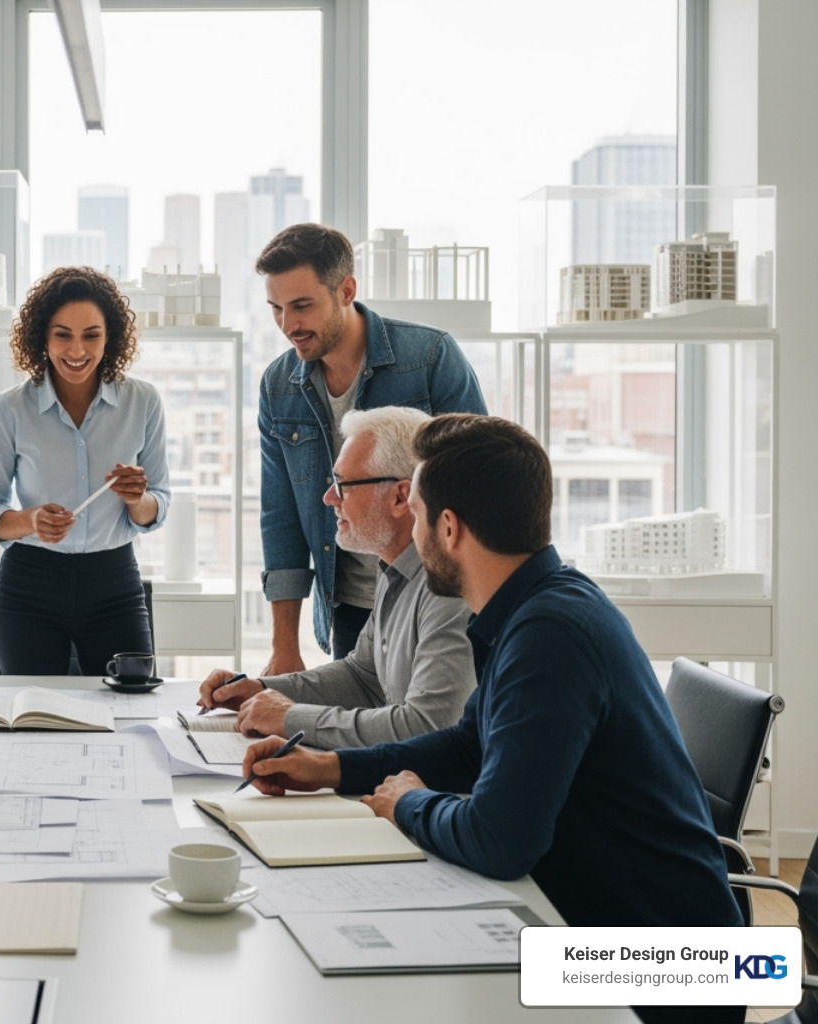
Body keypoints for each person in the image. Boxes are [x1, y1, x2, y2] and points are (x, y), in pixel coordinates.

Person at [240, 414, 742, 1024]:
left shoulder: (550, 634)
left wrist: (408, 803)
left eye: (418, 516)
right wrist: (330, 767)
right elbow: (467, 746)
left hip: (665, 972)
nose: (413, 534)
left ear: (448, 528)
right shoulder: (536, 608)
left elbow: (501, 841)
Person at [255, 223, 487, 667]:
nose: (288, 325)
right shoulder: (278, 385)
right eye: (276, 309)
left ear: (346, 290)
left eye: (302, 306)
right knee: (357, 711)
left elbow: (479, 485)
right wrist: (284, 647)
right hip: (350, 607)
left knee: (431, 712)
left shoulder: (430, 358)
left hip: (438, 599)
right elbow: (280, 515)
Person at [196, 406, 475, 747]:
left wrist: (289, 717)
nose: (329, 498)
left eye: (343, 485)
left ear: (400, 497)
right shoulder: (395, 570)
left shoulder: (448, 588)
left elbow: (429, 726)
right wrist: (260, 690)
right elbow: (362, 677)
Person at [0, 266, 170, 675]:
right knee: (34, 708)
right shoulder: (9, 409)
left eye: (91, 335)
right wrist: (31, 520)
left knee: (129, 704)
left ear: (110, 337)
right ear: (42, 337)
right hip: (28, 587)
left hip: (114, 583)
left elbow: (158, 504)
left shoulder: (143, 402)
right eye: (63, 335)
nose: (77, 350)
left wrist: (137, 500)